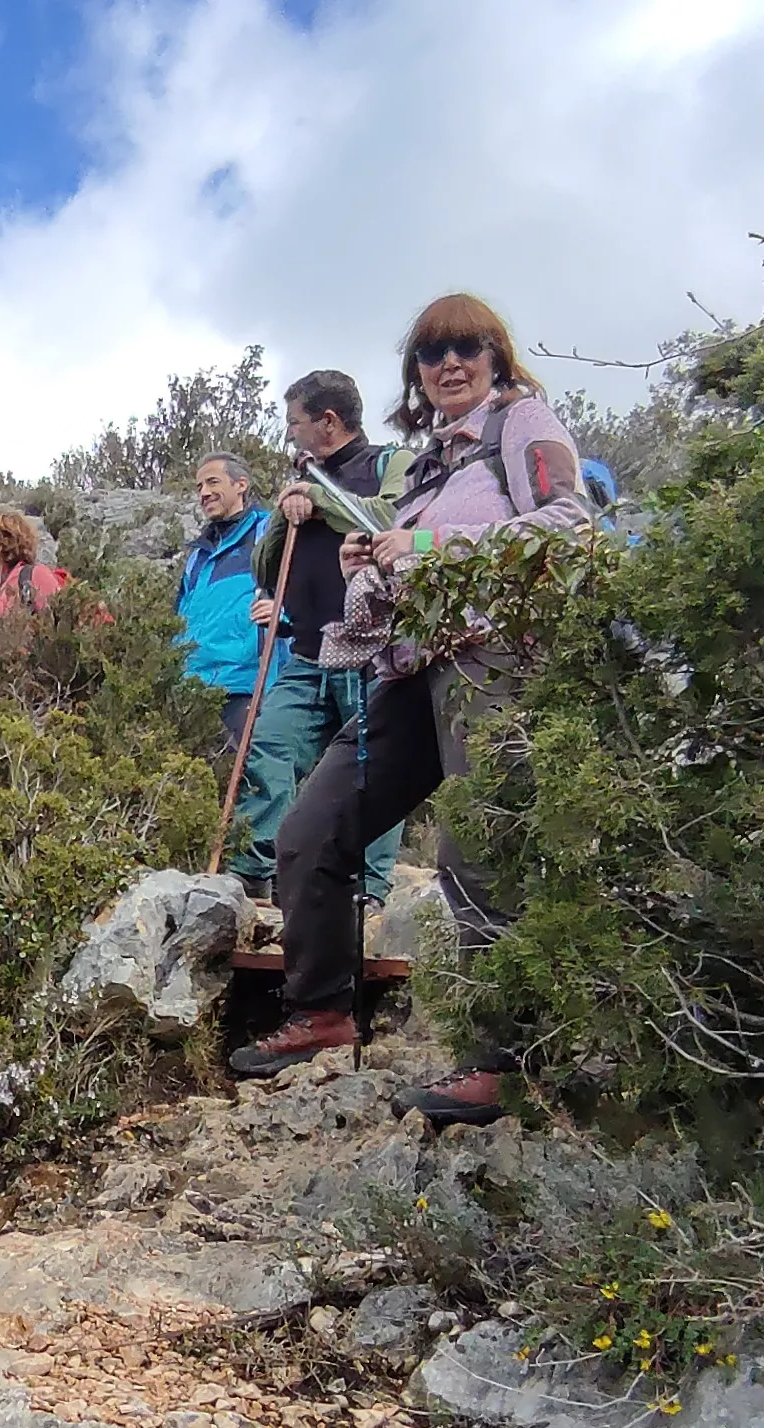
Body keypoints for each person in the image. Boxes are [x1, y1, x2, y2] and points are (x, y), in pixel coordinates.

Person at [229, 294, 594, 1120]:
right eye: (432, 354)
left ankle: (501, 1061)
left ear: (497, 355)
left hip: (497, 657)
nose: (449, 364)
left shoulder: (521, 424)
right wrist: (376, 554)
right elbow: (414, 559)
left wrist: (424, 545)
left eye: (467, 346)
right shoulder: (430, 462)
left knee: (481, 850)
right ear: (415, 374)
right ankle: (320, 1011)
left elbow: (571, 524)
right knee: (311, 830)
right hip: (412, 667)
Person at [245, 373, 415, 905]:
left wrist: (318, 499)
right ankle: (255, 872)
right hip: (305, 655)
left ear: (328, 421)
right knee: (267, 747)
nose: (290, 433)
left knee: (372, 770)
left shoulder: (392, 465)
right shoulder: (301, 481)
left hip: (371, 654)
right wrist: (285, 510)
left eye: (295, 421)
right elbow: (265, 569)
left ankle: (369, 886)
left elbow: (389, 519)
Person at [179, 454, 293, 895]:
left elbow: (295, 584)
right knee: (207, 782)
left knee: (259, 776)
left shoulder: (269, 532)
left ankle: (259, 878)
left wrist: (285, 615)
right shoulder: (196, 555)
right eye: (198, 486)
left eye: (212, 482)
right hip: (194, 682)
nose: (204, 493)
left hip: (247, 675)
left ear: (241, 484)